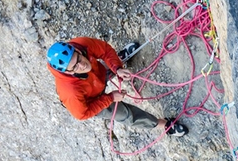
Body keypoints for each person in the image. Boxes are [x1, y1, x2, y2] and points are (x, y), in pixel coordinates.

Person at [46, 38, 188, 136]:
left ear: (76, 50)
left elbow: (105, 50)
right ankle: (164, 125)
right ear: (67, 72)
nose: (82, 65)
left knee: (112, 62)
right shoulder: (70, 92)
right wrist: (110, 98)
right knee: (126, 115)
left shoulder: (81, 45)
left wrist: (117, 68)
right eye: (75, 66)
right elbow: (82, 114)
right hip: (92, 102)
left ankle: (120, 60)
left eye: (79, 59)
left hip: (99, 74)